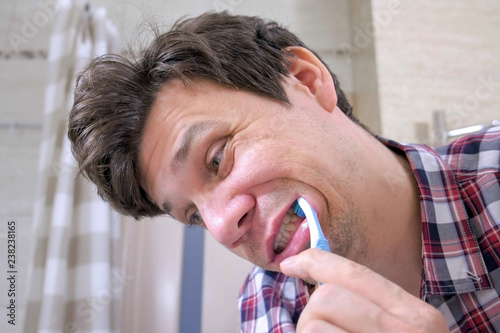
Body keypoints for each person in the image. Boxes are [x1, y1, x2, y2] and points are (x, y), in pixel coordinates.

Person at [67, 11, 500, 332]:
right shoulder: (267, 308)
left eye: (217, 158)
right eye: (194, 216)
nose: (221, 228)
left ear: (307, 81)